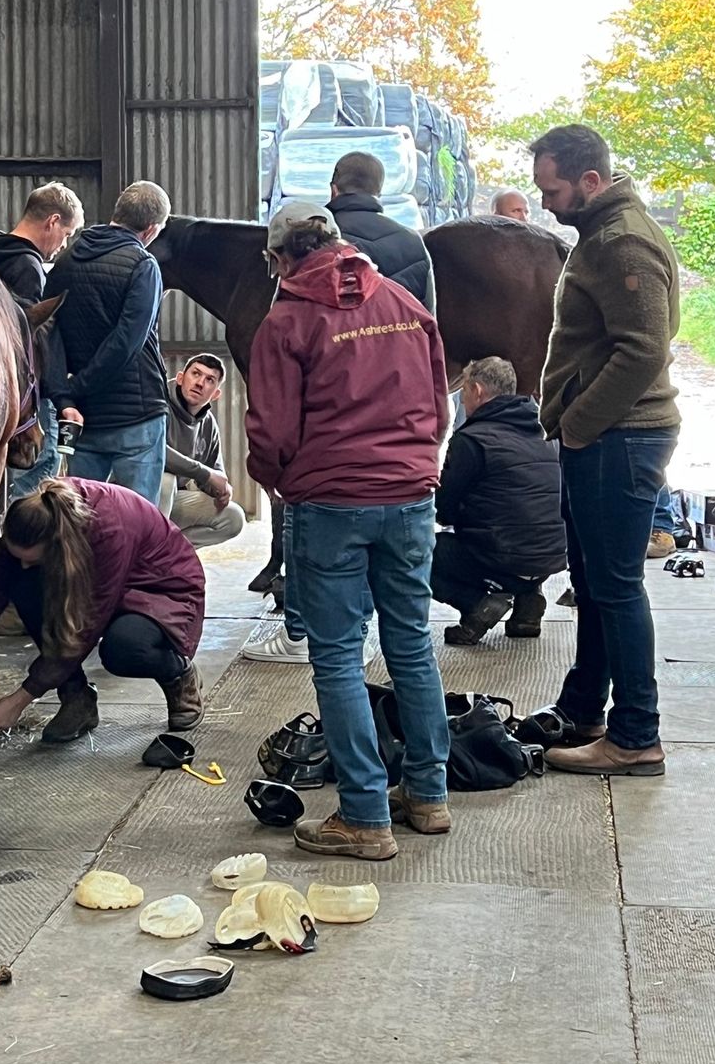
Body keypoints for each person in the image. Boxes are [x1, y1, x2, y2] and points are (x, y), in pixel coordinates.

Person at [246, 205, 452, 861]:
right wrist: (416, 464)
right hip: (411, 496)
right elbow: (439, 405)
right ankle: (428, 794)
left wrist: (279, 479)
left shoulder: (286, 320)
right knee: (411, 644)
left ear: (281, 260)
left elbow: (272, 432)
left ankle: (365, 815)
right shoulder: (403, 301)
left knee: (336, 656)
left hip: (332, 501)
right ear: (340, 245)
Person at [522, 124, 680, 776]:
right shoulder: (600, 234)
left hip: (619, 437)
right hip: (604, 435)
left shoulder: (621, 242)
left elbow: (644, 348)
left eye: (552, 190)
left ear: (591, 182)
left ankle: (636, 734)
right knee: (592, 583)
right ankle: (585, 706)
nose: (545, 203)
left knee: (615, 588)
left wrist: (582, 422)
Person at [0, 478, 205, 745]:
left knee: (124, 647)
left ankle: (178, 675)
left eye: (31, 558)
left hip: (160, 588)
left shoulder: (109, 530)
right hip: (105, 583)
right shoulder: (34, 521)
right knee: (23, 583)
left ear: (57, 544)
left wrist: (21, 698)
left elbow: (85, 628)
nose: (24, 565)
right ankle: (76, 697)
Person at [44, 181, 171, 506]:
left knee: (83, 522)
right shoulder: (143, 266)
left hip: (84, 417)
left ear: (117, 214)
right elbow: (127, 342)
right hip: (137, 417)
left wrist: (65, 395)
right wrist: (78, 388)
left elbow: (48, 334)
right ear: (152, 229)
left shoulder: (66, 262)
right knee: (138, 522)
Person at [432, 355, 567, 645]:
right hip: (551, 556)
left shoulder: (471, 440)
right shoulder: (546, 432)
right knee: (526, 523)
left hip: (503, 556)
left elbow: (443, 510)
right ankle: (528, 601)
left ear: (477, 391)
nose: (463, 401)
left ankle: (476, 603)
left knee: (418, 552)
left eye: (464, 392)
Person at [0, 182, 85, 500]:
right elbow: (30, 340)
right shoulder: (29, 268)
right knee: (45, 457)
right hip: (21, 387)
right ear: (52, 222)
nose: (63, 245)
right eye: (66, 234)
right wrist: (57, 394)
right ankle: (18, 521)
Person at [325, 151, 435, 310]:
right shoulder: (413, 242)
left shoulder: (316, 238)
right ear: (378, 193)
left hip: (336, 335)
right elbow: (427, 315)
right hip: (397, 334)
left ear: (333, 190)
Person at [160, 354, 246, 549]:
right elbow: (156, 452)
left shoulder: (208, 425)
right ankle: (151, 553)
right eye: (196, 374)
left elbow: (215, 471)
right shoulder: (159, 403)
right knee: (166, 480)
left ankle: (168, 554)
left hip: (174, 501)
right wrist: (205, 474)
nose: (200, 383)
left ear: (215, 394)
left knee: (233, 518)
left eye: (209, 380)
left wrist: (222, 488)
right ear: (181, 378)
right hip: (139, 495)